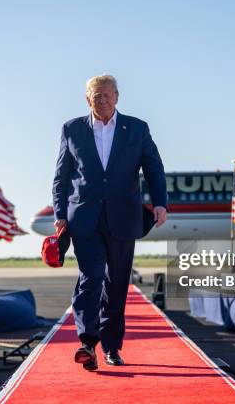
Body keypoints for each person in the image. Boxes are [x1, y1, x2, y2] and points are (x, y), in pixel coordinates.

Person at [52, 74, 167, 371]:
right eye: (96, 96)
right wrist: (60, 215)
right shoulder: (71, 129)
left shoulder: (137, 129)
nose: (102, 100)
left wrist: (160, 203)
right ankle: (87, 343)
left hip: (123, 217)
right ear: (87, 99)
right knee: (90, 279)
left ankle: (112, 346)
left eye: (107, 95)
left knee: (116, 285)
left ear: (117, 97)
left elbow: (154, 167)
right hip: (84, 219)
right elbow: (61, 177)